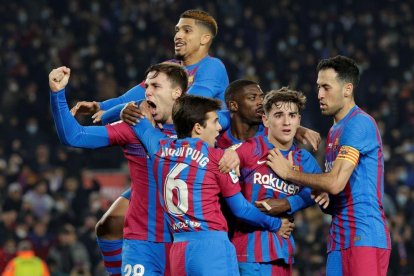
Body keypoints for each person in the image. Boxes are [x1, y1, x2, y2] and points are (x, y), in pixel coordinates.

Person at [70, 10, 229, 275]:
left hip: (196, 165)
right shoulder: (168, 68)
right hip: (162, 159)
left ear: (205, 39)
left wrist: (124, 110)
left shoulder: (212, 67)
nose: (178, 34)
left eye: (187, 30)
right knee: (108, 226)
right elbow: (133, 95)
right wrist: (102, 105)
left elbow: (185, 109)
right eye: (177, 29)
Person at [130, 94, 295, 275]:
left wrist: (125, 109)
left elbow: (136, 117)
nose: (219, 128)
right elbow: (241, 209)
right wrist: (276, 224)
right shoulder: (219, 159)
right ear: (198, 128)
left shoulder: (159, 146)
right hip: (211, 249)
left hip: (178, 250)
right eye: (215, 121)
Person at [49, 63, 189, 275]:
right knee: (107, 226)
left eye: (156, 86)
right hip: (142, 242)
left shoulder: (198, 128)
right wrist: (57, 94)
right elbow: (74, 135)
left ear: (176, 92)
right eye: (147, 86)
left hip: (184, 242)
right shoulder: (134, 125)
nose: (148, 91)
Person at [266, 55, 391, 275]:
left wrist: (289, 172)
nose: (320, 95)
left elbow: (334, 183)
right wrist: (323, 197)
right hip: (338, 238)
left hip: (364, 235)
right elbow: (334, 192)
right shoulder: (334, 131)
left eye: (326, 87)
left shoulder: (359, 123)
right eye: (318, 87)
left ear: (347, 89)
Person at [226, 87, 327, 275]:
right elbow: (223, 162)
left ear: (299, 120)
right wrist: (228, 153)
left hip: (283, 253)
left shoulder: (304, 159)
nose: (287, 122)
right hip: (249, 254)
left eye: (292, 115)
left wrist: (288, 203)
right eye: (279, 115)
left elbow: (322, 188)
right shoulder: (250, 149)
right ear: (265, 119)